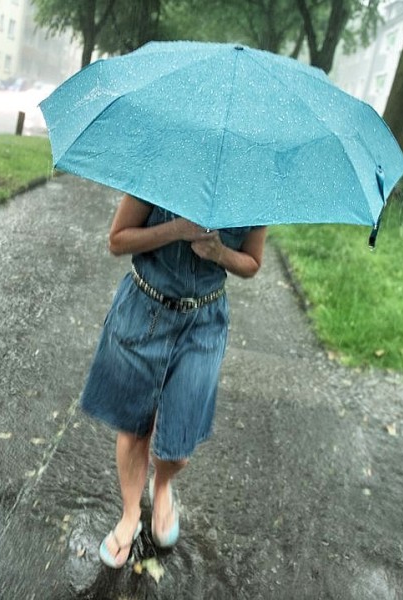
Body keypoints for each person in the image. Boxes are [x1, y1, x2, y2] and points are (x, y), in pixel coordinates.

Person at [80, 192, 267, 568]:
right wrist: (176, 229)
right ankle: (130, 513)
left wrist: (218, 253)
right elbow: (118, 240)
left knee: (179, 445)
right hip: (142, 311)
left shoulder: (255, 192)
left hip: (203, 325)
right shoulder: (160, 173)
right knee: (134, 428)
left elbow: (251, 264)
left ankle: (162, 486)